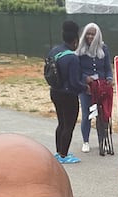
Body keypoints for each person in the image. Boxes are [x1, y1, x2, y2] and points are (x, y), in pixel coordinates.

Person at [49, 20, 87, 164]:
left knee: (61, 123)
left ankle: (59, 152)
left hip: (55, 91)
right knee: (69, 125)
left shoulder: (54, 51)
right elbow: (75, 82)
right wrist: (85, 87)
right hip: (68, 95)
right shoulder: (72, 57)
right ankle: (64, 155)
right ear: (75, 41)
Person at [76, 22, 114, 154]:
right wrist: (85, 78)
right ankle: (85, 141)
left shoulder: (104, 48)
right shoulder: (80, 51)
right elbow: (77, 69)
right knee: (87, 114)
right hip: (86, 88)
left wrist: (109, 79)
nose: (90, 36)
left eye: (93, 34)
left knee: (102, 114)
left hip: (101, 86)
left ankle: (102, 140)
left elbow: (107, 68)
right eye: (88, 34)